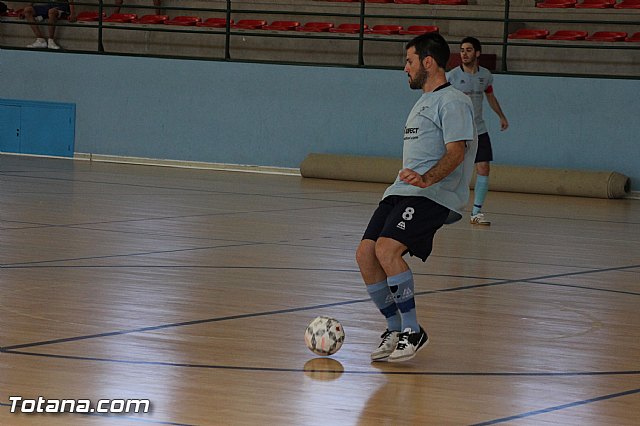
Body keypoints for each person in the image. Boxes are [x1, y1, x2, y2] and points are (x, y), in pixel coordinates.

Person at [355, 32, 477, 363]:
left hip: (432, 194)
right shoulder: (422, 101)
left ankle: (413, 330)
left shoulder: (453, 101)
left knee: (387, 249)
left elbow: (456, 152)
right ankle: (394, 329)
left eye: (408, 61)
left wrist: (426, 179)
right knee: (366, 254)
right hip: (400, 190)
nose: (404, 68)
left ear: (427, 62)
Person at [447, 36, 509, 226]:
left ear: (477, 53)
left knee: (483, 168)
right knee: (450, 169)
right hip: (458, 131)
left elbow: (490, 96)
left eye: (468, 50)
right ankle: (440, 208)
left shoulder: (486, 76)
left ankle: (476, 213)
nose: (464, 54)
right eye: (462, 50)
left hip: (478, 130)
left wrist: (501, 116)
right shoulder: (452, 76)